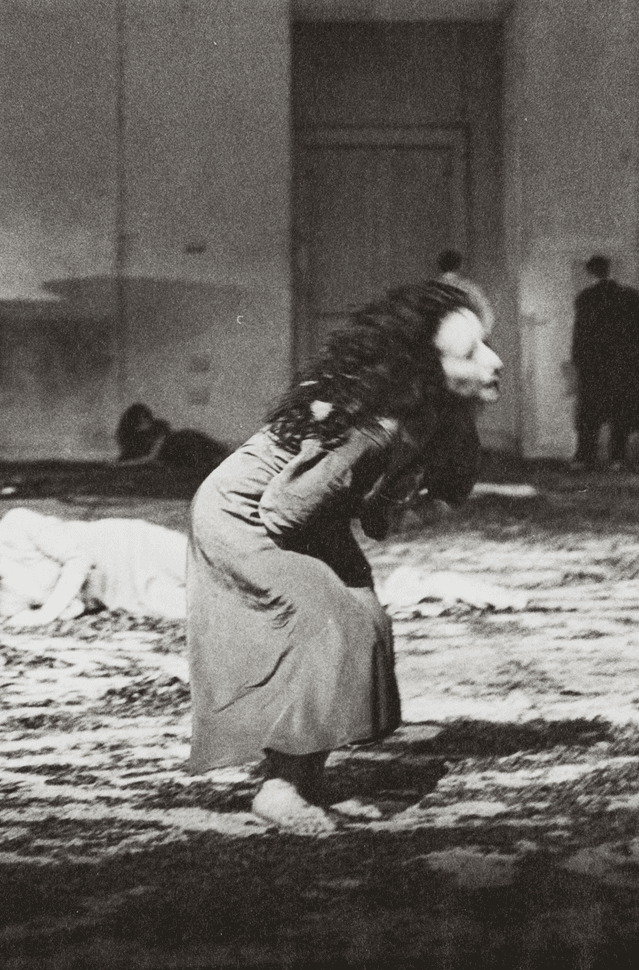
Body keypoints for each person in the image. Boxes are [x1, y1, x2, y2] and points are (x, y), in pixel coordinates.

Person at [186, 281, 502, 835]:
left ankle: (303, 778)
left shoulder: (437, 419)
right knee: (332, 624)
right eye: (471, 352)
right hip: (245, 515)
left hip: (305, 513)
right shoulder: (375, 424)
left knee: (365, 619)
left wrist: (386, 503)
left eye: (486, 345)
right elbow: (285, 510)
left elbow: (396, 504)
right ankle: (280, 789)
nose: (494, 361)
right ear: (424, 370)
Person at [0, 507, 188, 625]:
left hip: (131, 547)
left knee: (219, 567)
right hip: (123, 593)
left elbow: (79, 558)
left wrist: (47, 612)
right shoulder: (3, 600)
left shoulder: (13, 527)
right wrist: (57, 611)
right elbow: (74, 608)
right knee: (204, 610)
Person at [570, 255, 639, 469]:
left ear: (590, 273)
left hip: (595, 365)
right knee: (620, 412)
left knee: (590, 413)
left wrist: (579, 360)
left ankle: (584, 457)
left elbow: (580, 333)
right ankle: (617, 458)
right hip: (623, 364)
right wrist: (635, 354)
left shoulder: (586, 298)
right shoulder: (630, 296)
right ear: (611, 270)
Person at [114, 403, 231, 471]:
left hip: (185, 443)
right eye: (141, 421)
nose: (145, 423)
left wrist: (123, 465)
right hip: (181, 452)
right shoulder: (135, 438)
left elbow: (152, 457)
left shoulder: (159, 430)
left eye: (146, 419)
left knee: (216, 453)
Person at [435, 249, 494, 330]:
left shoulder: (429, 288)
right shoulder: (469, 288)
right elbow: (486, 314)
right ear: (459, 266)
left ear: (439, 266)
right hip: (463, 337)